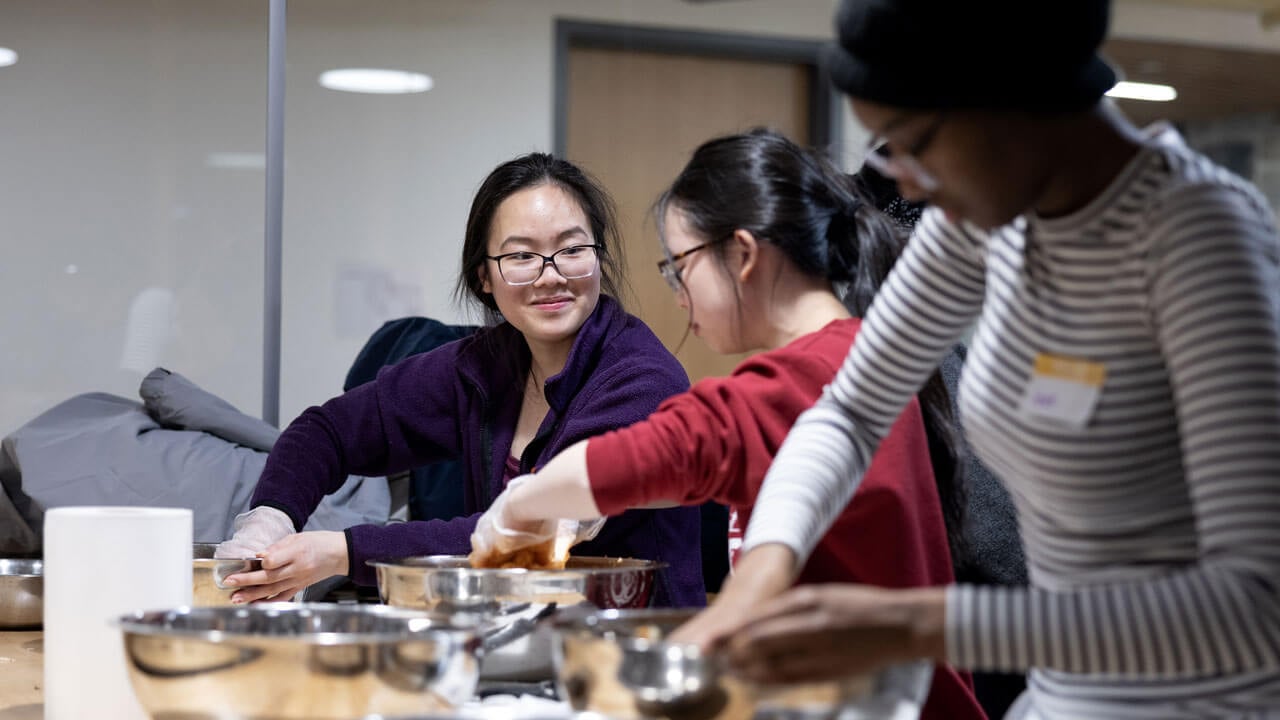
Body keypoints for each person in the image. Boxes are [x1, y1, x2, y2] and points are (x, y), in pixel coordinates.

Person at [686, 1, 1280, 718]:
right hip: (1059, 699)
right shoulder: (988, 216)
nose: (900, 180)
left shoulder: (1196, 237)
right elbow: (850, 409)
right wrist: (766, 566)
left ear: (1016, 99)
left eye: (910, 142)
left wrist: (918, 624)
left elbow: (1258, 609)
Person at [470, 129, 986, 720]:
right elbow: (708, 465)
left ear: (742, 255)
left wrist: (520, 503)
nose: (680, 295)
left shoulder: (819, 372)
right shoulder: (857, 357)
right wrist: (575, 507)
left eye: (679, 267)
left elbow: (676, 447)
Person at [216, 152, 704, 608]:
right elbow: (327, 431)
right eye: (521, 256)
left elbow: (528, 532)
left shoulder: (641, 380)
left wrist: (342, 551)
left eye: (572, 249)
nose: (550, 275)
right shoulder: (483, 365)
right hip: (512, 645)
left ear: (599, 257)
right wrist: (269, 521)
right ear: (484, 278)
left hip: (630, 654)